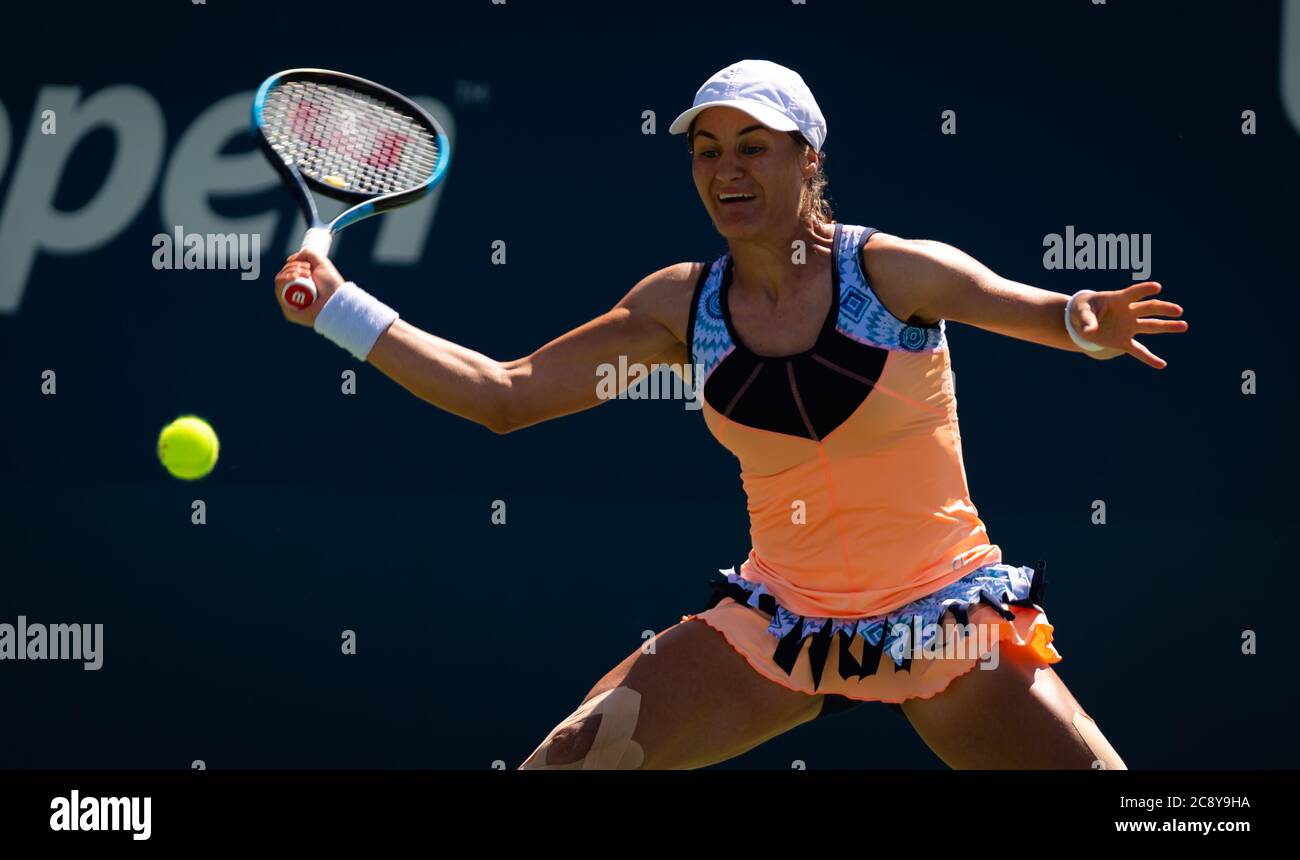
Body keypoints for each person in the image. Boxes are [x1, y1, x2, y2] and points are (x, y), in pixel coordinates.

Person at [273, 59, 1187, 769]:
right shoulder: (679, 306)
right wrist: (341, 310)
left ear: (807, 158)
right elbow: (504, 396)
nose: (726, 169)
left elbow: (1032, 311)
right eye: (706, 150)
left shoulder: (895, 274)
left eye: (753, 145)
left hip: (938, 615)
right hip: (780, 623)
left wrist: (1086, 321)